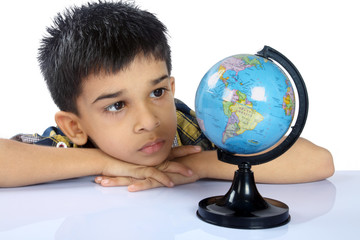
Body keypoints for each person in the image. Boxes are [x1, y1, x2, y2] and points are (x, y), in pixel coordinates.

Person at [0, 1, 334, 191]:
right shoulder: (66, 146)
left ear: (172, 88)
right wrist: (105, 162)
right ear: (75, 127)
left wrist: (199, 165)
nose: (150, 121)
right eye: (116, 105)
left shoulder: (190, 127)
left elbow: (319, 162)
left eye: (157, 92)